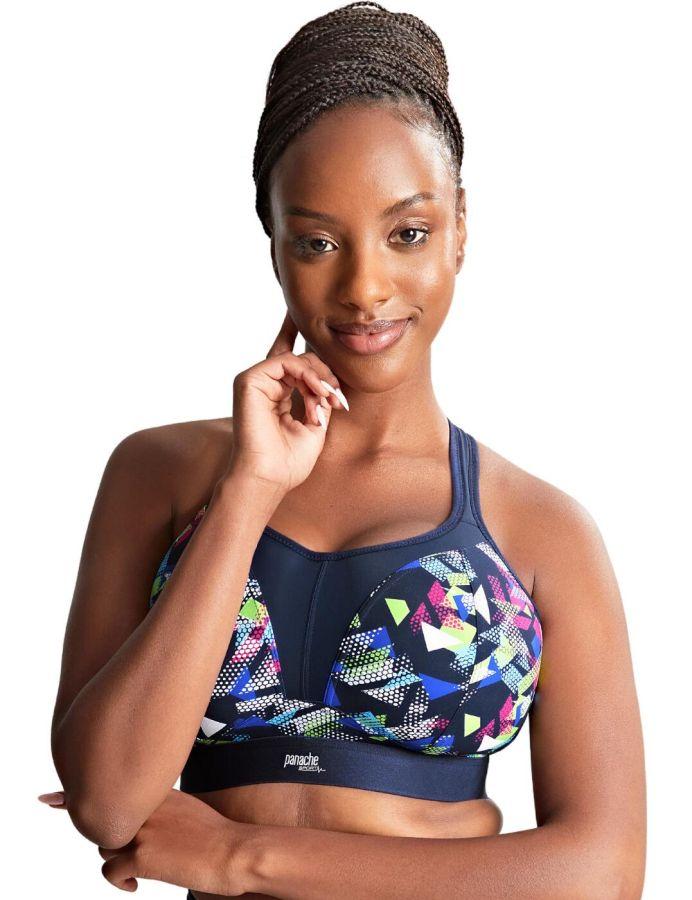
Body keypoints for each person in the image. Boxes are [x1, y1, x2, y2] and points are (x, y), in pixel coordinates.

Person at [40, 2, 646, 897]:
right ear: (274, 242)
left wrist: (239, 855)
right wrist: (250, 490)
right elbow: (107, 800)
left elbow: (603, 871)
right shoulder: (160, 475)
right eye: (319, 241)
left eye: (409, 234)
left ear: (461, 227)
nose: (366, 287)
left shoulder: (541, 528)